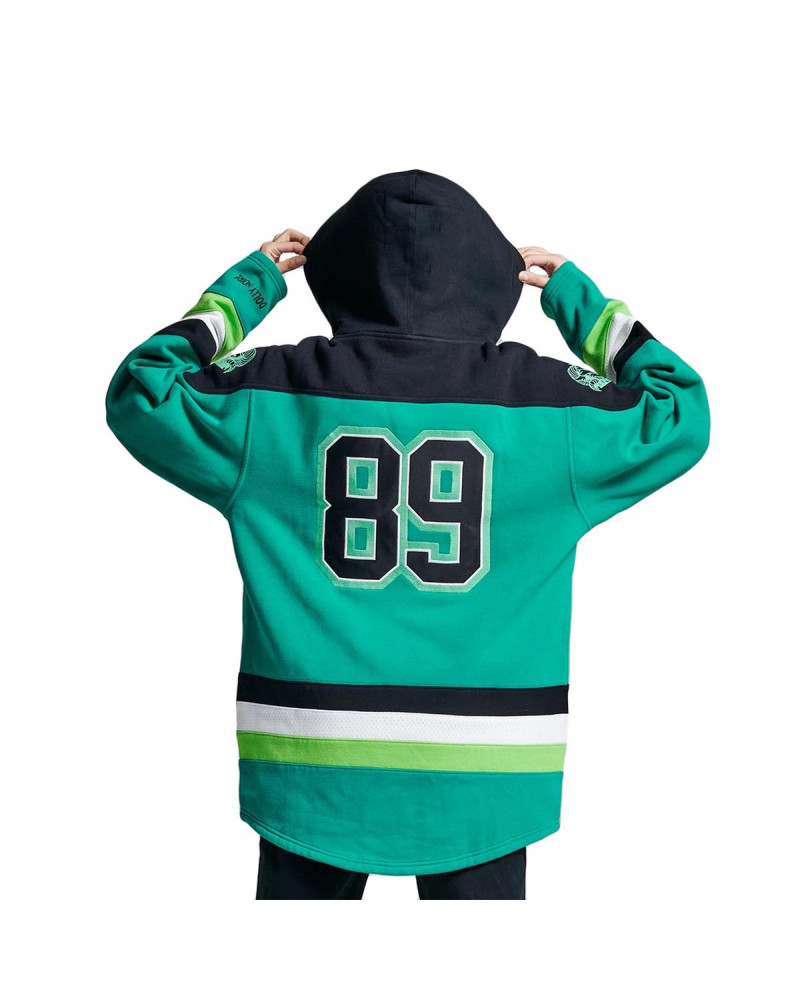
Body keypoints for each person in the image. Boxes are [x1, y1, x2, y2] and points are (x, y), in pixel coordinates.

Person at [105, 168, 710, 900]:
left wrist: (246, 291)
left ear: (338, 271)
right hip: (487, 768)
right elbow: (679, 410)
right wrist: (579, 305)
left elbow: (144, 388)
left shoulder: (269, 393)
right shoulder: (553, 411)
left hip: (312, 761)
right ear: (488, 273)